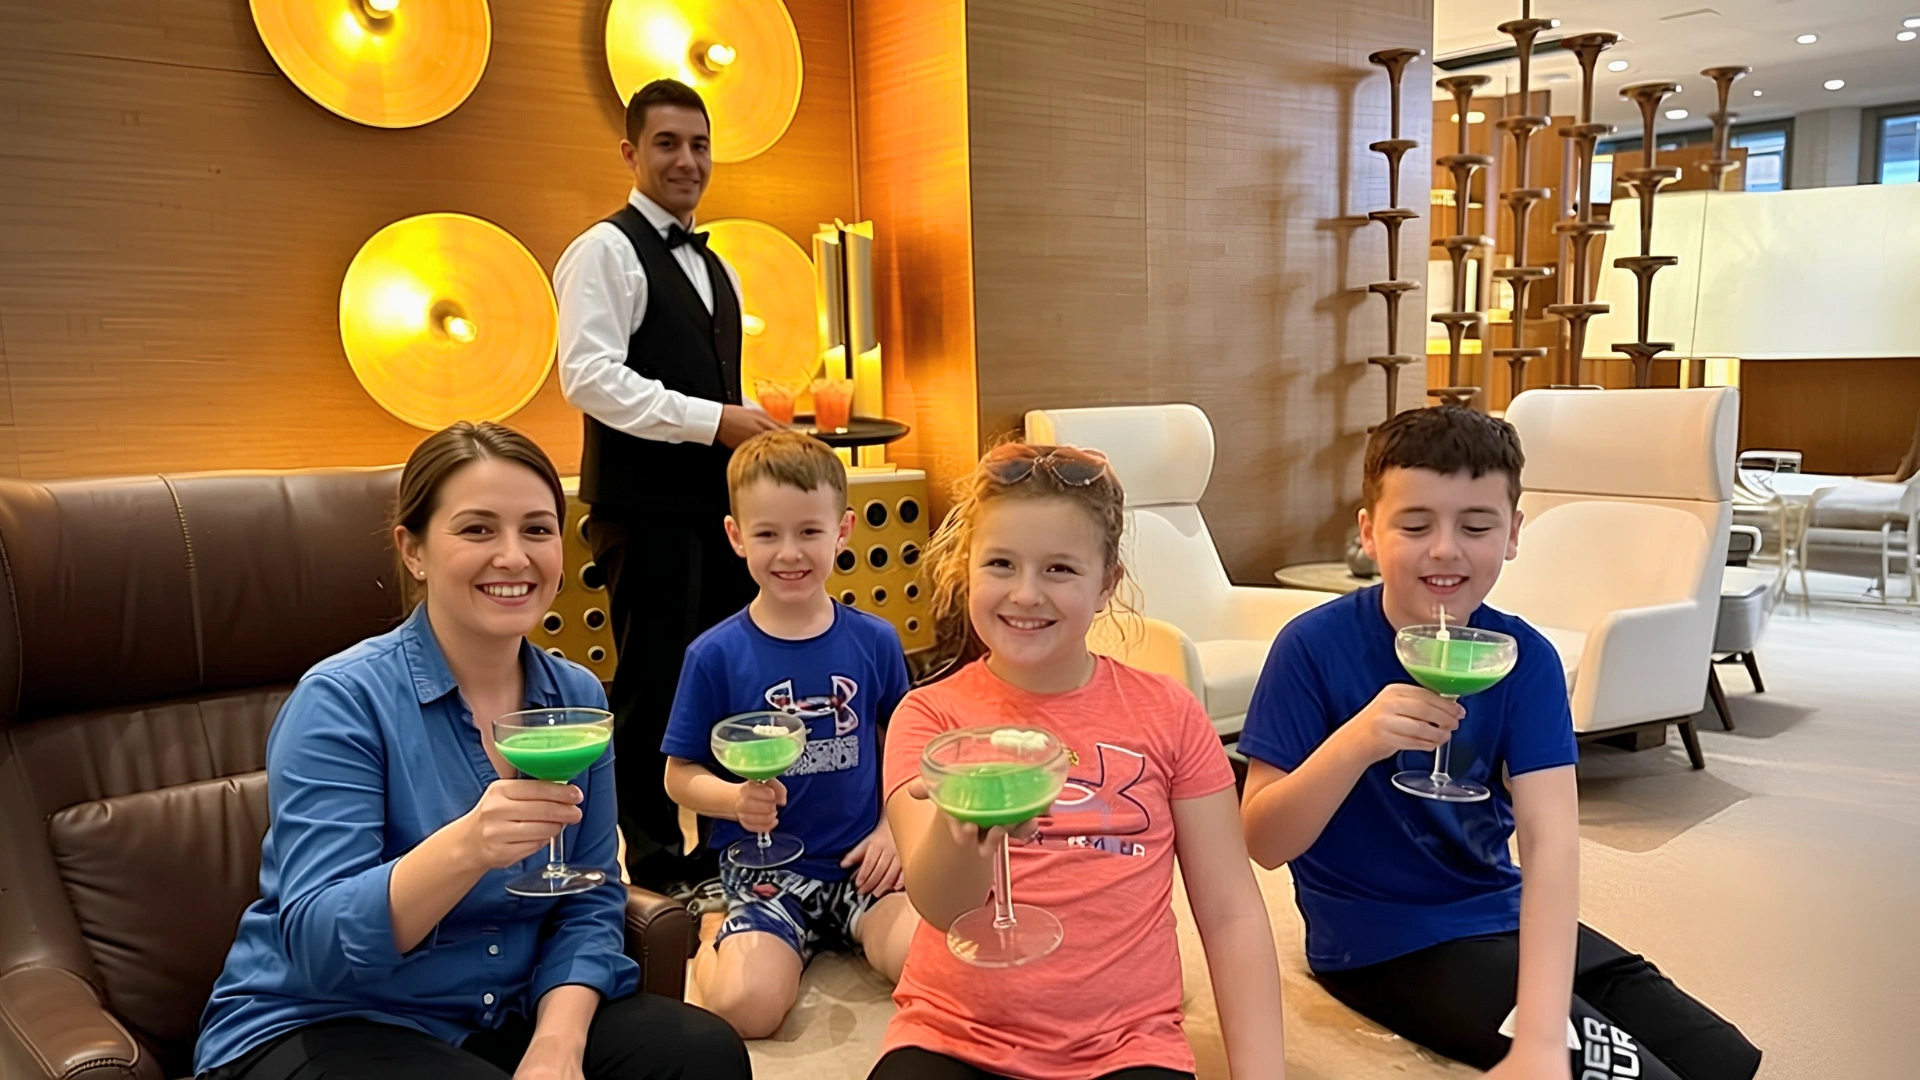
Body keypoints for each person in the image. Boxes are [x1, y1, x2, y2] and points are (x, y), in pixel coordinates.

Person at [193, 422, 749, 1080]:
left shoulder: (571, 698)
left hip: (501, 1012)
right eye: (478, 530)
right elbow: (320, 946)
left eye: (537, 530)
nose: (514, 557)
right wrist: (467, 847)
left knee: (701, 1053)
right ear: (414, 550)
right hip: (327, 1018)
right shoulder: (341, 700)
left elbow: (591, 899)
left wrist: (558, 1042)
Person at [1237, 406, 1762, 1080]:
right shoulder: (1311, 648)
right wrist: (1357, 742)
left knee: (1720, 1060)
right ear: (1369, 533)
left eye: (1477, 526)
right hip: (1383, 945)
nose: (1446, 549)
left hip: (1501, 914)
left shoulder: (1525, 659)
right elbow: (1263, 840)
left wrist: (1543, 1031)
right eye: (1415, 524)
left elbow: (1551, 842)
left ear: (1513, 534)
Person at [873, 442, 1287, 1080]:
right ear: (966, 569)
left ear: (1106, 584)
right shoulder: (929, 720)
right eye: (1001, 564)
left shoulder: (1170, 715)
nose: (1026, 593)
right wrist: (967, 834)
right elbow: (939, 904)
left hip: (1125, 1045)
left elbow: (1232, 912)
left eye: (1060, 569)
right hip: (953, 1033)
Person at [555, 77, 786, 891]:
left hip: (718, 512)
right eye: (667, 144)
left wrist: (746, 422)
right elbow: (587, 377)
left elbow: (707, 379)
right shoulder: (604, 251)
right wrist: (713, 420)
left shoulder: (718, 268)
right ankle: (653, 869)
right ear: (631, 152)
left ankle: (727, 846)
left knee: (729, 681)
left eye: (699, 145)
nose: (687, 160)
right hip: (644, 511)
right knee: (652, 691)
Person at [658, 430, 919, 1038]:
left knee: (930, 967)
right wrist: (730, 800)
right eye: (768, 534)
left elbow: (910, 745)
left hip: (864, 864)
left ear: (843, 531)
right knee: (746, 1010)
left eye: (809, 531)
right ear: (736, 536)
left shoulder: (875, 641)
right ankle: (711, 923)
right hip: (763, 873)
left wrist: (893, 829)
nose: (789, 552)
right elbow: (678, 775)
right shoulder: (714, 655)